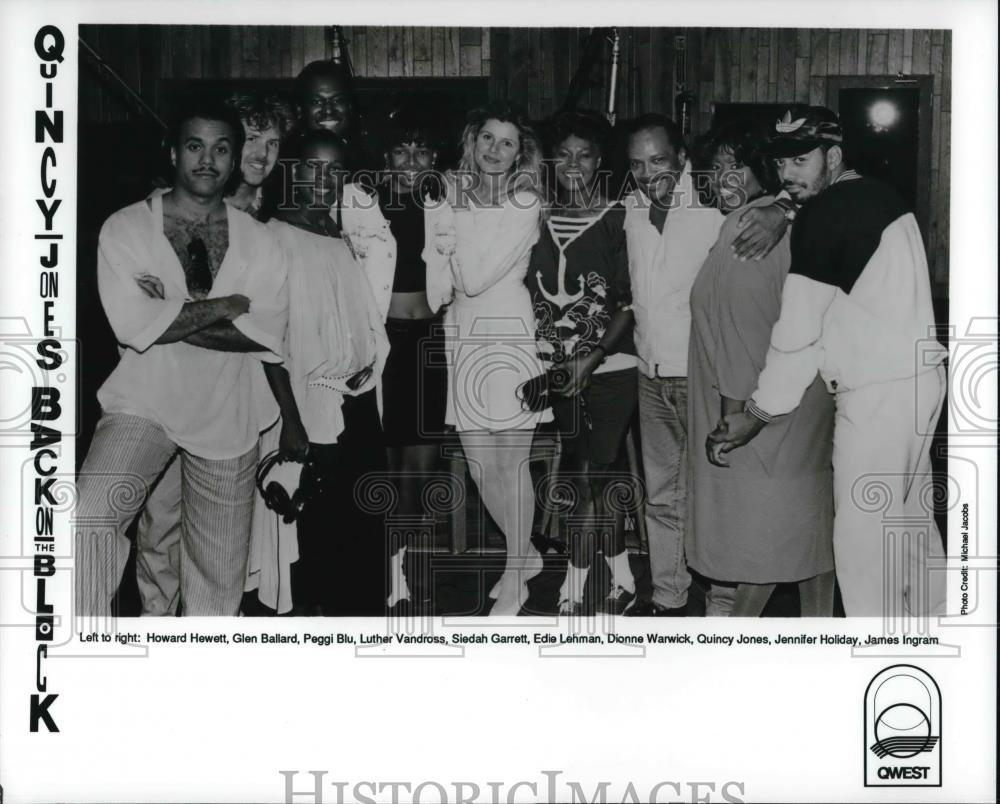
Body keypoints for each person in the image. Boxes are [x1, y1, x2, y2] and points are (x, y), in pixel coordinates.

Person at [707, 106, 948, 618]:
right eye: (780, 164)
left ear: (832, 157)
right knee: (909, 526)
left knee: (862, 546)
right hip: (921, 382)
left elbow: (796, 336)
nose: (788, 175)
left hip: (878, 392)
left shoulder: (824, 216)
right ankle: (937, 635)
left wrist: (758, 413)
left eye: (801, 160)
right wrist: (788, 208)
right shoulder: (880, 194)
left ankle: (873, 661)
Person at [74, 99, 287, 617]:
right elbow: (132, 325)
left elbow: (265, 335)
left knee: (217, 579)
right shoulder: (125, 228)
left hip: (227, 412)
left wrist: (171, 312)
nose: (207, 160)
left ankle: (200, 686)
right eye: (195, 146)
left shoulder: (260, 243)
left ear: (236, 160)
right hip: (142, 402)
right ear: (173, 152)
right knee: (88, 520)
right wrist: (225, 307)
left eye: (221, 149)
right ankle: (84, 654)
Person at [135, 91, 297, 616]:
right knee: (162, 524)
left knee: (225, 544)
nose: (262, 154)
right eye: (251, 139)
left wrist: (178, 316)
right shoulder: (167, 213)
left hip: (241, 402)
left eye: (274, 143)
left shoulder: (272, 221)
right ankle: (155, 632)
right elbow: (148, 320)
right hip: (166, 395)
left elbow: (268, 332)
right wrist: (197, 317)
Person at [686, 120, 836, 617]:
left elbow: (742, 327)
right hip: (799, 394)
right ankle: (819, 639)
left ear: (760, 174)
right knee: (805, 530)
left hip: (757, 403)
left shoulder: (747, 226)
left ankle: (731, 645)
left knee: (759, 538)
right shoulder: (785, 218)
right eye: (714, 169)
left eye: (736, 167)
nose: (722, 179)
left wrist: (735, 416)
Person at [258, 129, 390, 615]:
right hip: (308, 410)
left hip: (355, 405)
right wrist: (290, 421)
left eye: (335, 170)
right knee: (318, 542)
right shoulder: (275, 237)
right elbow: (267, 341)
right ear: (289, 170)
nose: (323, 179)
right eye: (312, 167)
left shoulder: (338, 235)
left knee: (363, 530)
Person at [425, 104, 549, 616]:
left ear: (521, 154)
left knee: (511, 464)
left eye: (508, 142)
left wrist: (449, 216)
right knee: (478, 464)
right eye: (488, 139)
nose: (495, 150)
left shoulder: (524, 202)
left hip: (508, 334)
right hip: (463, 333)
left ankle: (516, 572)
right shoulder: (455, 195)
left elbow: (473, 276)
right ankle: (528, 557)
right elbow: (443, 277)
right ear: (472, 143)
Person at [526, 109, 638, 615]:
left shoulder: (620, 217)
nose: (573, 163)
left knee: (589, 473)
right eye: (563, 153)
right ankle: (622, 577)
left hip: (610, 367)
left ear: (600, 160)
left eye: (585, 154)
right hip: (557, 370)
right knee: (586, 474)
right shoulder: (536, 216)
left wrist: (589, 360)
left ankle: (574, 582)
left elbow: (629, 304)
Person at [375, 108, 452, 611]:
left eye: (420, 151)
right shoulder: (363, 204)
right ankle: (389, 569)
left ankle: (413, 566)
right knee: (387, 464)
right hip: (380, 341)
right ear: (385, 159)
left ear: (434, 158)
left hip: (427, 341)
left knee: (421, 468)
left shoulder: (447, 201)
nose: (410, 161)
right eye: (401, 151)